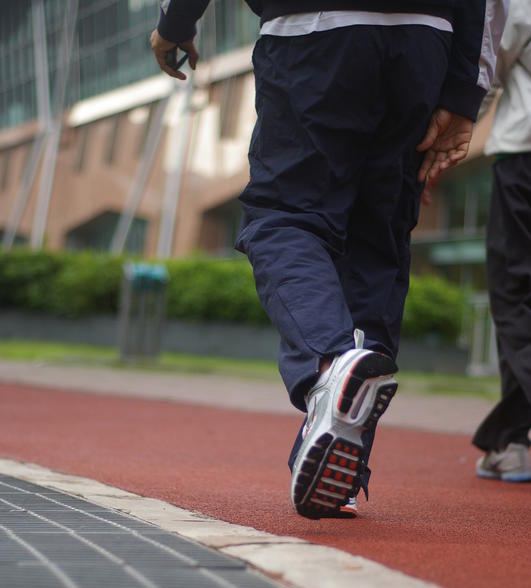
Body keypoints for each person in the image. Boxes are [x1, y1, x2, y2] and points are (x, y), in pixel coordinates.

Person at [151, 1, 508, 517]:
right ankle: (343, 456)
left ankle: (328, 365)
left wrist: (176, 22)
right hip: (423, 42)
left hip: (312, 33)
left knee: (282, 218)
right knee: (378, 248)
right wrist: (465, 91)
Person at [472, 0, 531, 483]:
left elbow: (490, 62)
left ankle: (516, 440)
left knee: (515, 294)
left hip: (524, 152)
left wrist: (452, 130)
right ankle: (514, 437)